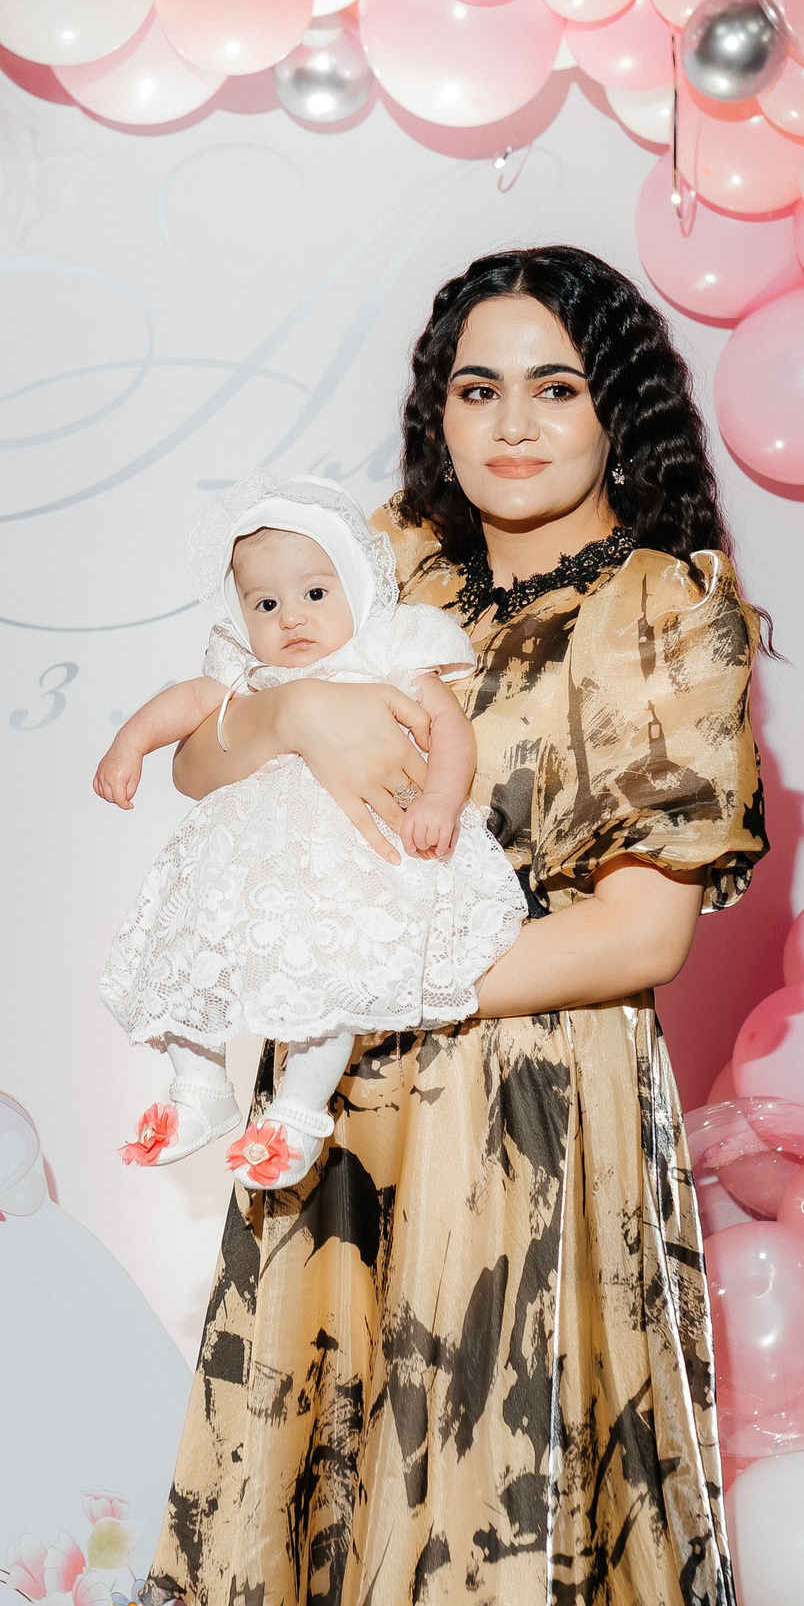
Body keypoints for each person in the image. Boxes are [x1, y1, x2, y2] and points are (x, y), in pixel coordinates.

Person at [148, 244, 771, 1606]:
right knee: (378, 1506)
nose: (510, 424)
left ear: (618, 410)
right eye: (477, 386)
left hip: (530, 1109)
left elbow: (645, 929)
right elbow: (199, 752)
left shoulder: (666, 607)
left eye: (555, 386)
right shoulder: (389, 561)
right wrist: (287, 728)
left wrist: (404, 981)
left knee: (481, 1544)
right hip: (355, 1113)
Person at [94, 476, 524, 1190]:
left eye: (316, 593)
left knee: (333, 985)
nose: (292, 617)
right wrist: (127, 745)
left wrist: (441, 802)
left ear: (358, 587)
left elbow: (449, 730)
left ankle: (296, 1112)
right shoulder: (253, 674)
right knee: (189, 948)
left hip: (351, 866)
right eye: (266, 604)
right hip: (252, 871)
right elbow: (189, 703)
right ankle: (198, 1086)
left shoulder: (385, 650)